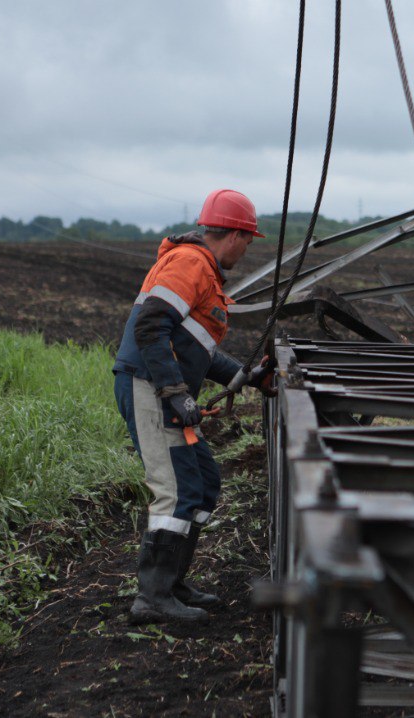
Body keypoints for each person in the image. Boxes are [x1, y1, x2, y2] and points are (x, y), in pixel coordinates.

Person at [113, 188, 275, 623]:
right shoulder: (191, 263)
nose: (246, 249)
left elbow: (196, 349)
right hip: (148, 386)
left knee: (201, 483)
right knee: (176, 490)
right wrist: (174, 391)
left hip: (160, 387)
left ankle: (172, 583)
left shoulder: (203, 268)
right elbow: (151, 326)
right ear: (237, 235)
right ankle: (152, 598)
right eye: (248, 240)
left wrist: (248, 376)